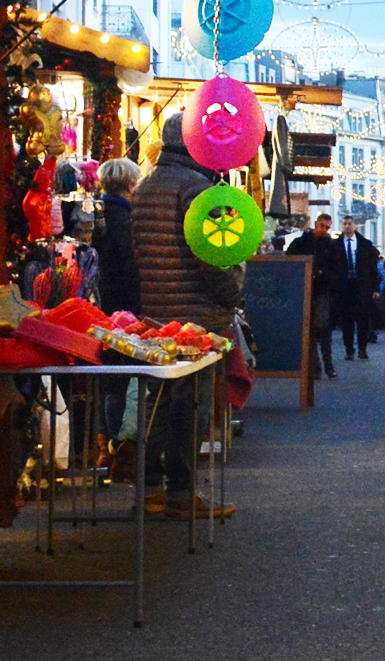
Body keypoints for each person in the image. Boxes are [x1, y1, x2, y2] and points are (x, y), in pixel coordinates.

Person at [131, 112, 240, 518]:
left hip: (156, 312)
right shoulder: (197, 188)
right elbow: (213, 257)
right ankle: (181, 493)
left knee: (157, 400)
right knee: (190, 407)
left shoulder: (145, 186)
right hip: (196, 315)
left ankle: (150, 489)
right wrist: (232, 294)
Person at [93, 156, 142, 477]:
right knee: (122, 377)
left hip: (100, 307)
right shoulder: (125, 221)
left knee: (109, 378)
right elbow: (130, 268)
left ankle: (107, 446)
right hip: (123, 308)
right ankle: (117, 446)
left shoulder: (96, 215)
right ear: (129, 186)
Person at [285, 214, 342, 378]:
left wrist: (322, 274)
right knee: (308, 329)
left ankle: (327, 365)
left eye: (327, 227)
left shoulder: (330, 246)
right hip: (303, 290)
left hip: (322, 291)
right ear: (316, 224)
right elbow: (290, 262)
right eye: (322, 226)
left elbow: (337, 271)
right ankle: (316, 366)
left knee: (322, 328)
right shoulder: (301, 242)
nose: (324, 230)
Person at [335, 214, 381, 361]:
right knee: (346, 320)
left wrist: (375, 288)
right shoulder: (336, 245)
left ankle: (362, 348)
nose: (347, 226)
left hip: (362, 286)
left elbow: (372, 268)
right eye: (344, 224)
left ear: (354, 226)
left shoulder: (364, 244)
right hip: (344, 286)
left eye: (349, 223)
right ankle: (349, 350)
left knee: (362, 319)